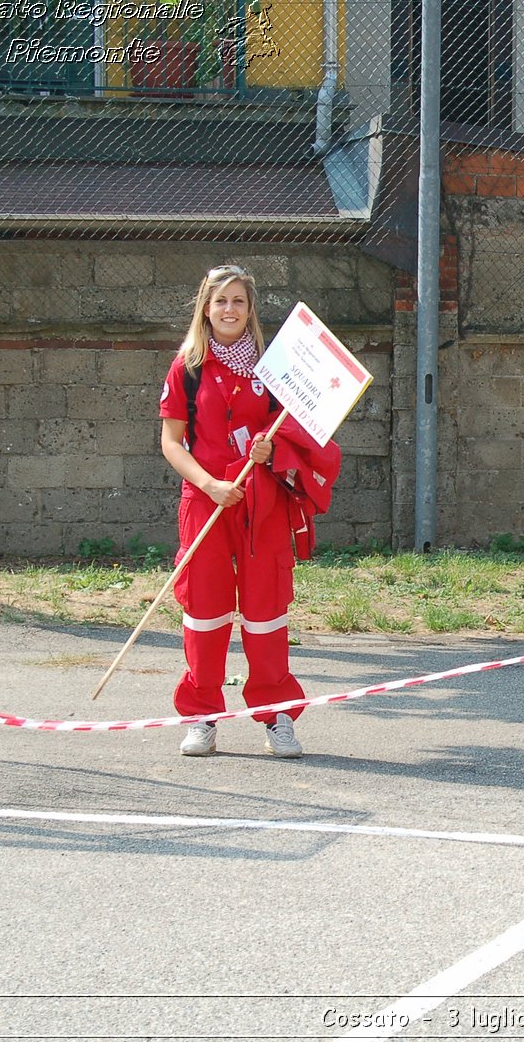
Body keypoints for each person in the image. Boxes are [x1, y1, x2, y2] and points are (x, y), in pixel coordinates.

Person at [158, 264, 339, 759]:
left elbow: (299, 428)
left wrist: (272, 448)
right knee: (205, 613)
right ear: (206, 308)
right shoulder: (187, 366)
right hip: (207, 501)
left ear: (250, 309)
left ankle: (277, 715)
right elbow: (171, 442)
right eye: (221, 301)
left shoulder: (275, 365)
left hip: (263, 507)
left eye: (238, 300)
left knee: (265, 614)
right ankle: (202, 718)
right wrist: (210, 484)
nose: (229, 309)